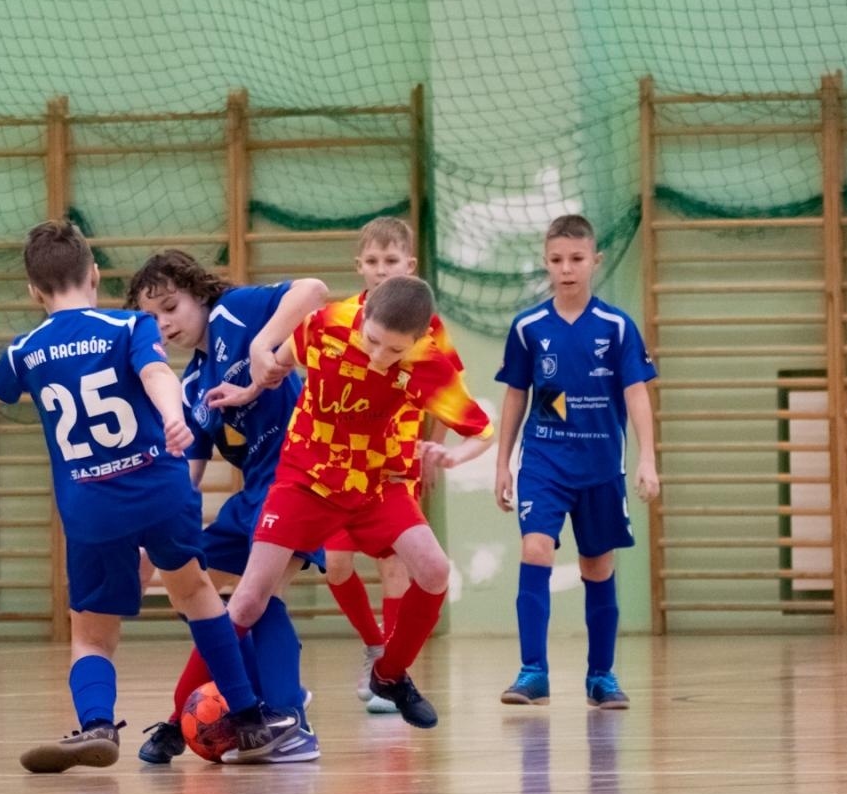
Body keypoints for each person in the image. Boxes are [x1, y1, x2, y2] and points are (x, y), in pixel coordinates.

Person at [0, 220, 282, 772]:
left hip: (90, 505)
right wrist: (173, 416)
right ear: (94, 274)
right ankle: (250, 717)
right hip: (158, 486)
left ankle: (96, 725)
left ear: (34, 292)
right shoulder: (127, 324)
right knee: (197, 595)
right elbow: (158, 373)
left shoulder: (27, 349)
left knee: (91, 630)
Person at [214, 275, 493, 748]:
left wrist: (448, 454)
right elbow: (277, 363)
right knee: (262, 592)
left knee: (427, 568)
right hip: (312, 479)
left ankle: (389, 672)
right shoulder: (328, 325)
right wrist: (246, 390)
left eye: (395, 350)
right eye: (375, 343)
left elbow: (474, 422)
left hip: (381, 477)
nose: (380, 356)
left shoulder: (429, 352)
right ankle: (181, 717)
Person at [124, 250, 328, 764]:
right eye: (152, 317)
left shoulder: (236, 311)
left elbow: (314, 290)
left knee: (250, 602)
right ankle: (266, 701)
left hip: (299, 477)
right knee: (193, 591)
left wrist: (264, 345)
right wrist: (157, 537)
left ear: (199, 293)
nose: (164, 323)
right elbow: (188, 480)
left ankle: (281, 719)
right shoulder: (192, 384)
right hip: (254, 494)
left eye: (171, 306)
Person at [493, 214, 660, 709]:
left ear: (595, 261)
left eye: (577, 259)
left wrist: (648, 459)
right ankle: (532, 671)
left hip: (601, 465)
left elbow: (637, 395)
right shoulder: (528, 328)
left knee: (597, 566)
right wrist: (503, 463)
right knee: (536, 549)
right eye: (557, 260)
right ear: (546, 263)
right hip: (544, 461)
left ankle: (601, 676)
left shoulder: (616, 327)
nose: (567, 269)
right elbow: (514, 398)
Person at [321, 217, 456, 714]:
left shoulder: (429, 328)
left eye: (392, 261)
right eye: (373, 262)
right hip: (338, 465)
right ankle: (374, 642)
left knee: (395, 568)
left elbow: (447, 394)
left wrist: (431, 449)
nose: (382, 270)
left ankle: (394, 670)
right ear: (359, 267)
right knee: (335, 565)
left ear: (410, 266)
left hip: (395, 464)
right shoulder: (341, 319)